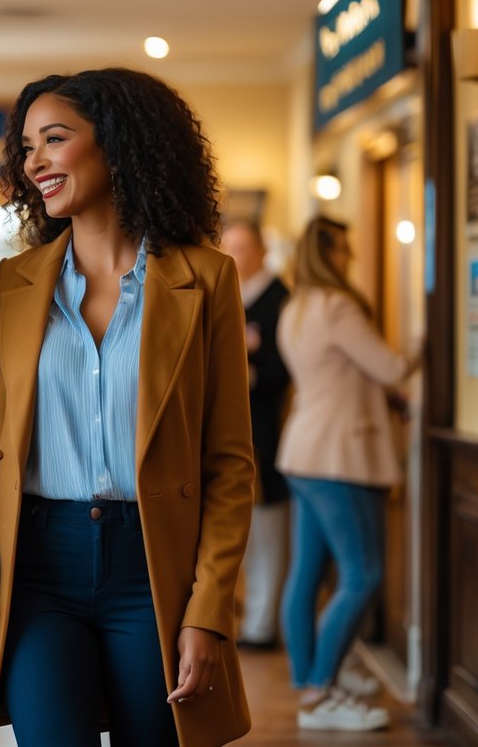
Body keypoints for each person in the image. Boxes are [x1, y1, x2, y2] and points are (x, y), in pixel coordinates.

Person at [0, 68, 254, 746]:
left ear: (117, 143)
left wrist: (207, 613)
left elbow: (229, 465)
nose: (32, 161)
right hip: (37, 568)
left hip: (154, 570)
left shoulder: (205, 279)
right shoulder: (15, 283)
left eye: (53, 139)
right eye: (26, 146)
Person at [276, 214, 419, 731]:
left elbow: (349, 377)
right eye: (345, 250)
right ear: (328, 253)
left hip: (304, 453)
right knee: (364, 574)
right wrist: (424, 339)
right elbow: (390, 367)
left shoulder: (295, 308)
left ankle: (311, 681)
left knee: (307, 575)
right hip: (339, 458)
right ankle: (320, 692)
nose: (351, 258)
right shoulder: (337, 305)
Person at [220, 220, 291, 650]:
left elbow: (283, 371)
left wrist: (243, 372)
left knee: (267, 534)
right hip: (231, 433)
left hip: (266, 434)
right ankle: (249, 613)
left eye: (243, 247)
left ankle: (263, 624)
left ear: (262, 250)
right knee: (238, 535)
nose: (235, 255)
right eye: (228, 246)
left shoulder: (279, 300)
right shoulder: (230, 294)